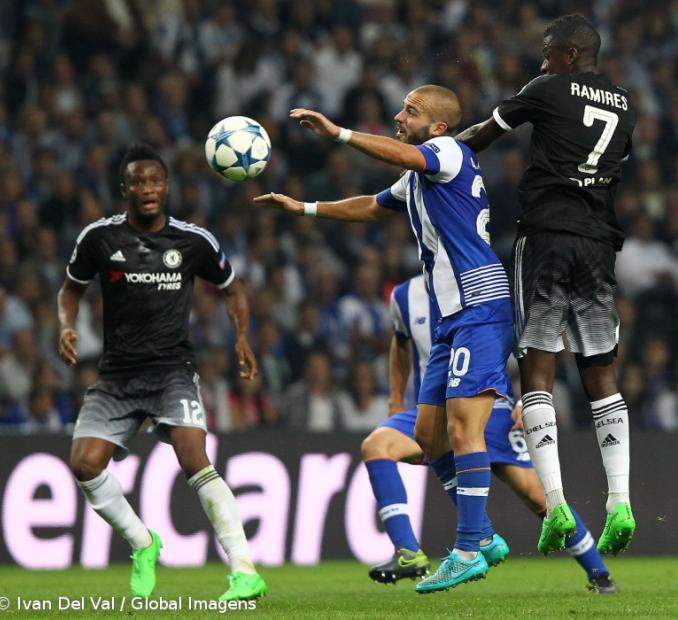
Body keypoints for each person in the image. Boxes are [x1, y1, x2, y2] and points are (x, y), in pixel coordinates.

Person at [256, 85, 512, 593]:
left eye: (409, 111)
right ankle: (482, 535)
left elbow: (403, 154)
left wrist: (340, 133)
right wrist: (304, 209)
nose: (398, 115)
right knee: (430, 437)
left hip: (479, 303)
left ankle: (468, 547)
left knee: (464, 432)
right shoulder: (420, 175)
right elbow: (370, 207)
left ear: (438, 126)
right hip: (448, 318)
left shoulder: (446, 151)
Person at [456, 14, 639, 555]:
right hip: (599, 243)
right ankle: (620, 502)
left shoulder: (548, 88)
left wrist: (427, 159)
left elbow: (481, 137)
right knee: (601, 375)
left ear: (572, 55)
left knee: (537, 370)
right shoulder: (626, 105)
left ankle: (556, 503)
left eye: (549, 52)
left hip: (546, 236)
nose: (542, 62)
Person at [57, 143, 267, 601]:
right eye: (138, 182)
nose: (147, 189)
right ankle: (142, 542)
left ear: (166, 187)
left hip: (173, 370)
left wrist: (242, 339)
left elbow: (233, 289)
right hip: (117, 377)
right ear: (124, 189)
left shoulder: (193, 241)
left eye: (155, 181)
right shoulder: (99, 238)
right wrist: (66, 326)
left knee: (195, 458)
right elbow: (70, 289)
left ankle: (244, 569)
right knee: (84, 465)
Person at [360, 275, 618, 593]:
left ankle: (599, 574)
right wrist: (395, 400)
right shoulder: (403, 296)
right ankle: (409, 553)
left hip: (490, 406)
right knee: (376, 446)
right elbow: (400, 344)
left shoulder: (483, 284)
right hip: (433, 411)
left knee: (537, 496)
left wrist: (532, 395)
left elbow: (530, 338)